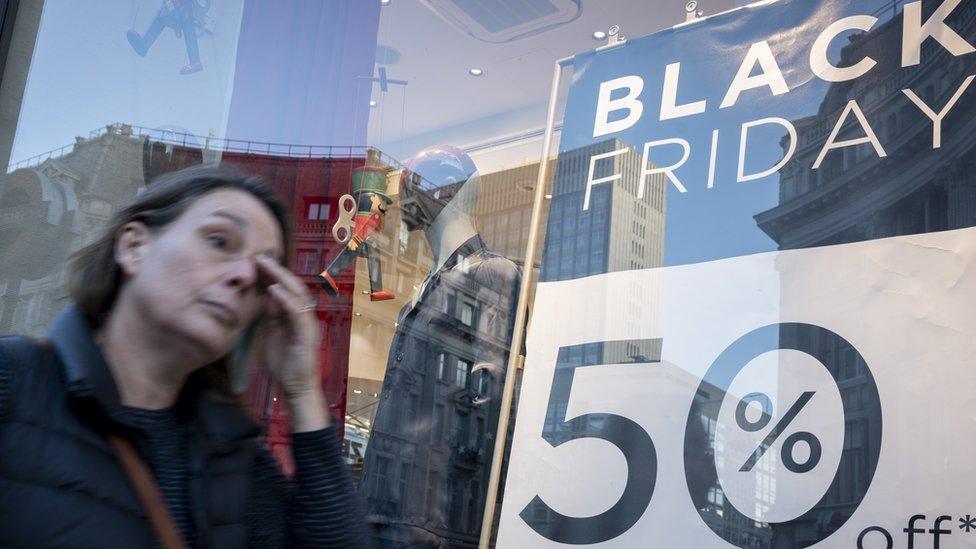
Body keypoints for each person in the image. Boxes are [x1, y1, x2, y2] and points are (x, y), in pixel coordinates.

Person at [0, 165, 374, 548]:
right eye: (219, 241)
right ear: (134, 246)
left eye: (264, 276)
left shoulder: (235, 459)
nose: (245, 276)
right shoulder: (13, 381)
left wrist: (302, 391)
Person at [358, 146, 521, 547]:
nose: (401, 198)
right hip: (386, 507)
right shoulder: (427, 287)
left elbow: (489, 400)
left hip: (433, 520)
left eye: (414, 182)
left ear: (446, 191)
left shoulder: (492, 274)